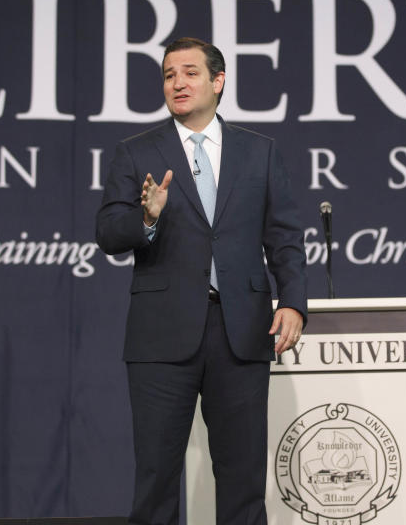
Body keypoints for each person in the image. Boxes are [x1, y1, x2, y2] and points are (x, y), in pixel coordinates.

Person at [96, 36, 307, 525]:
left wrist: (293, 301)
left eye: (190, 72)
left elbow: (284, 239)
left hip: (241, 332)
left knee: (243, 481)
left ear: (218, 80)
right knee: (156, 480)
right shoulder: (136, 152)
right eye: (169, 75)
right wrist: (145, 218)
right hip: (161, 335)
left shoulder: (260, 153)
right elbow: (108, 231)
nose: (177, 83)